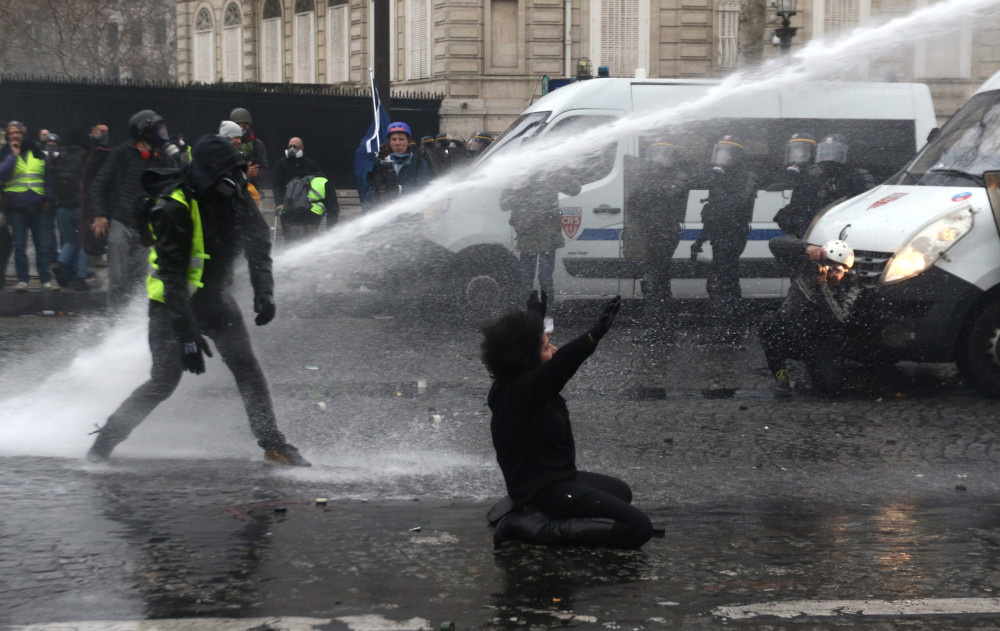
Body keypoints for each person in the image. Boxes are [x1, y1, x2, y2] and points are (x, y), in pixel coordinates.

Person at [86, 134, 310, 467]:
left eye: (237, 171)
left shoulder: (234, 195)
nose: (234, 179)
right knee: (164, 381)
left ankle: (273, 444)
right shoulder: (175, 205)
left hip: (215, 300)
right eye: (227, 172)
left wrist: (264, 289)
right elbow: (173, 279)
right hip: (172, 307)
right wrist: (187, 335)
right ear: (206, 172)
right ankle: (102, 445)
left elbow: (259, 241)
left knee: (248, 369)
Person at [482, 292, 653, 549]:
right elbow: (560, 365)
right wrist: (592, 337)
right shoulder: (521, 392)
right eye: (546, 346)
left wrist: (534, 319)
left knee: (621, 492)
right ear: (526, 359)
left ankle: (524, 507)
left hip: (557, 479)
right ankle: (532, 526)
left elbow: (532, 352)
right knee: (638, 527)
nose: (554, 349)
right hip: (545, 489)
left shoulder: (520, 379)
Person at [90, 110, 177, 310]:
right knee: (118, 279)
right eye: (156, 130)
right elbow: (99, 184)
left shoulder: (162, 157)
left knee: (139, 282)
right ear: (144, 132)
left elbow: (173, 183)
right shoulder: (123, 153)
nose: (160, 134)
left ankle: (131, 322)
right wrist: (100, 214)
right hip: (122, 222)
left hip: (145, 227)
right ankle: (114, 323)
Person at [758, 235, 860, 396]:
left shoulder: (850, 286)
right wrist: (808, 248)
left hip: (817, 340)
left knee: (829, 389)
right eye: (828, 267)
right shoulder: (806, 270)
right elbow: (774, 243)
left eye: (837, 270)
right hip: (790, 331)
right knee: (769, 322)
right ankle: (781, 376)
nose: (832, 274)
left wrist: (823, 287)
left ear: (846, 271)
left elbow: (840, 318)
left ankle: (824, 371)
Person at [693, 135, 760, 339]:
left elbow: (736, 204)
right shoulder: (721, 178)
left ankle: (726, 329)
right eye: (720, 153)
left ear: (736, 156)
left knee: (723, 281)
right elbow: (712, 214)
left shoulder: (747, 177)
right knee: (726, 279)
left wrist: (719, 186)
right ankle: (732, 325)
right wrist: (700, 240)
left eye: (727, 154)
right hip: (720, 234)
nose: (722, 158)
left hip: (733, 234)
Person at [501, 162, 581, 331]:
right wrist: (515, 190)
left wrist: (561, 174)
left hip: (547, 235)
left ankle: (547, 317)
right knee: (526, 280)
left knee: (545, 277)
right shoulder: (518, 177)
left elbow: (575, 189)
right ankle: (525, 317)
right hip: (527, 234)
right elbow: (503, 204)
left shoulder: (550, 173)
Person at [625, 140, 690, 334]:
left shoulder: (679, 176)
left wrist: (650, 180)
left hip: (666, 233)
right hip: (650, 232)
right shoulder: (650, 176)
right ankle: (663, 322)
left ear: (671, 157)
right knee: (658, 279)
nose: (658, 158)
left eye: (663, 154)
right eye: (654, 154)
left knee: (653, 279)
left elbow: (667, 194)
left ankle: (656, 326)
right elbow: (634, 199)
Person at [774, 133, 875, 238]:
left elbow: (869, 208)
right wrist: (793, 221)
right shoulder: (811, 176)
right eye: (826, 153)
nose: (828, 157)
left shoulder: (857, 176)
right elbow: (798, 205)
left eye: (833, 153)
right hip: (814, 232)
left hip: (844, 231)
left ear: (845, 154)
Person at [0, 120, 58, 291]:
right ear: (8, 136)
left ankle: (45, 279)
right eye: (12, 133)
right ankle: (23, 280)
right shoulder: (5, 153)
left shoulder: (38, 152)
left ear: (23, 134)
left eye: (17, 132)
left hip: (39, 207)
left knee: (43, 246)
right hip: (16, 208)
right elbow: (2, 173)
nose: (15, 136)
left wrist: (48, 199)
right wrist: (13, 156)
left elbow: (47, 178)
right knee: (20, 246)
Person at [272, 136, 338, 242]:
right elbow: (276, 185)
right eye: (290, 146)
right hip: (287, 205)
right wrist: (279, 202)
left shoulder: (309, 164)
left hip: (307, 205)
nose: (292, 149)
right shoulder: (281, 164)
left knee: (307, 234)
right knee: (290, 236)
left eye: (295, 146)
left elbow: (318, 181)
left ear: (302, 148)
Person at [49, 130, 91, 291]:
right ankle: (80, 277)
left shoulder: (61, 157)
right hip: (80, 208)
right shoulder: (86, 157)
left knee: (69, 241)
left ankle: (60, 263)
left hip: (62, 207)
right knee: (84, 243)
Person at [363, 121, 431, 207]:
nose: (398, 143)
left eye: (401, 139)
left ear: (408, 141)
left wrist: (399, 190)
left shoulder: (419, 162)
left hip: (412, 212)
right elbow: (370, 193)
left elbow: (423, 187)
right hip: (385, 213)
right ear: (389, 142)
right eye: (394, 139)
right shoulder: (380, 162)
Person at [229, 107, 269, 192]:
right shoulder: (227, 144)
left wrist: (253, 172)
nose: (241, 127)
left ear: (249, 125)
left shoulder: (257, 145)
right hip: (231, 187)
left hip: (251, 188)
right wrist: (243, 173)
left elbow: (264, 169)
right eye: (238, 124)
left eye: (244, 124)